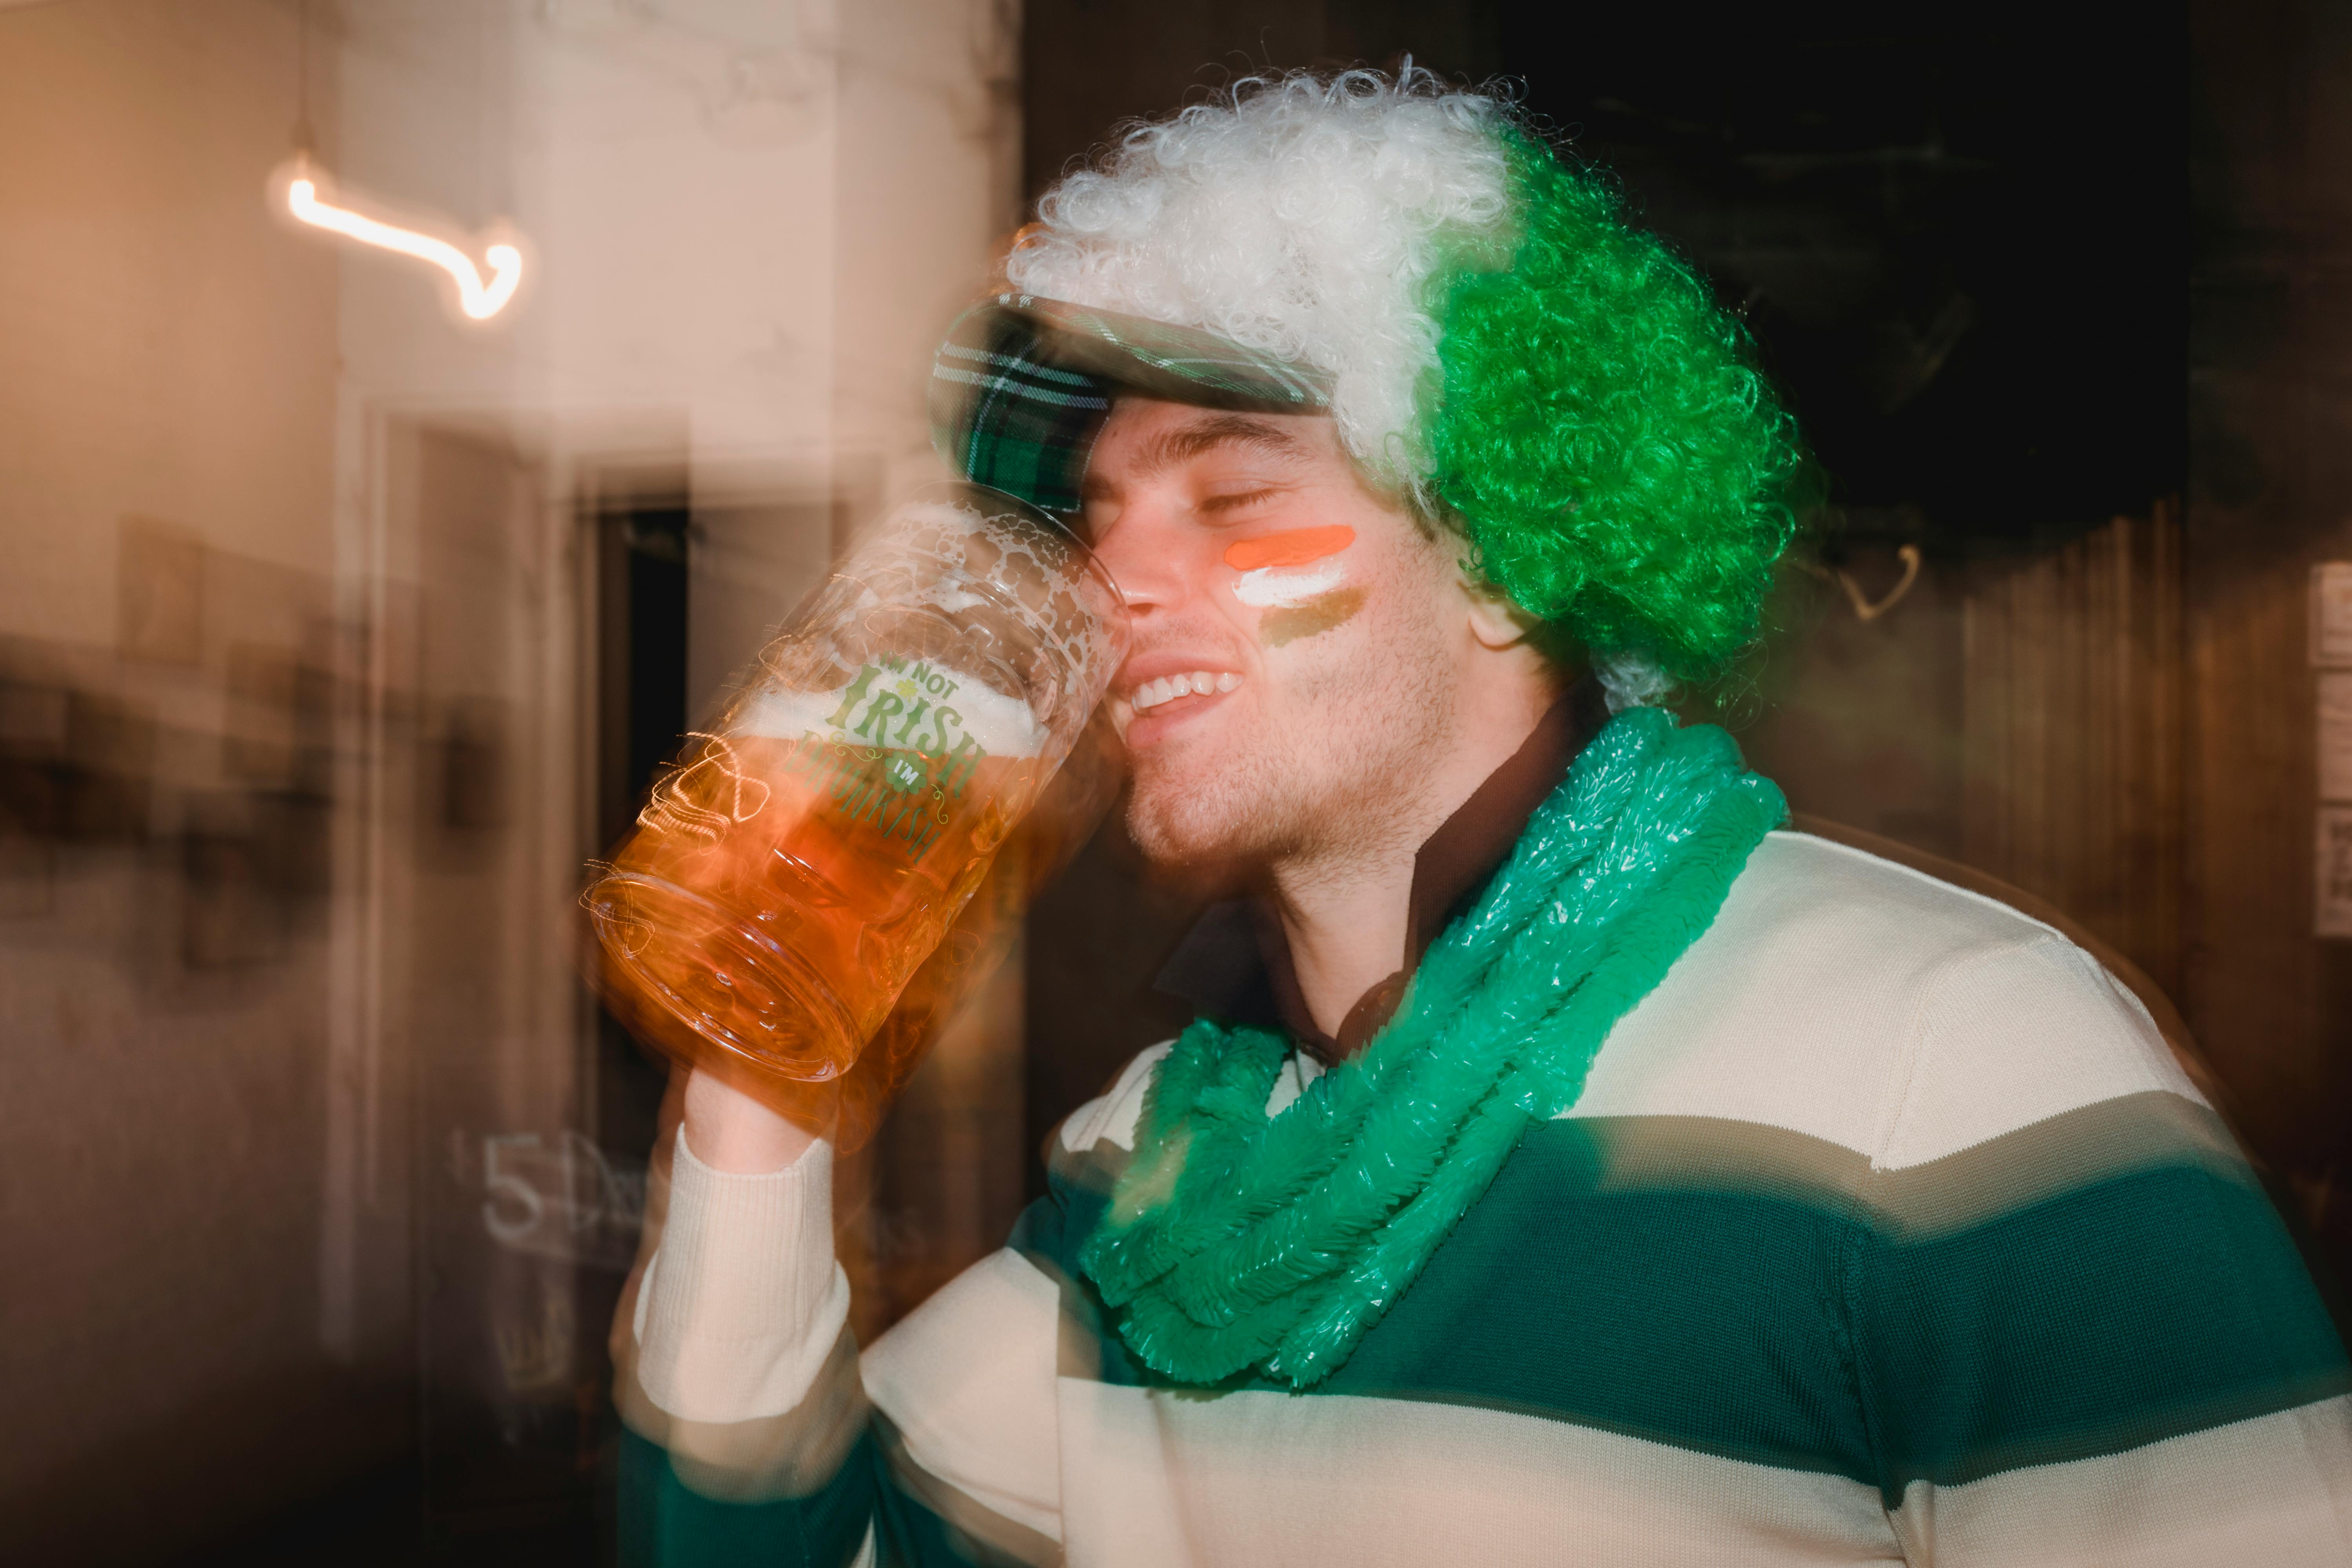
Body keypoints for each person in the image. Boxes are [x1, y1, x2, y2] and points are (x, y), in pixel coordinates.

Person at [615, 70, 2352, 1566]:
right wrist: (775, 1039)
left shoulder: (1954, 1065)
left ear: (1513, 546)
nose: (1111, 581)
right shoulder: (1152, 1162)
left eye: (1232, 495)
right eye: (1095, 515)